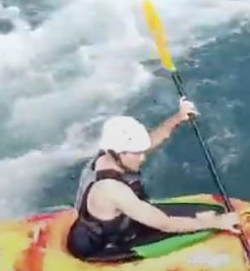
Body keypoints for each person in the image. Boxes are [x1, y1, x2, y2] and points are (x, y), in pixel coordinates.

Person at [66, 102, 239, 261]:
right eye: (137, 153)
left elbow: (154, 139)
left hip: (122, 224)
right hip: (103, 247)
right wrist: (216, 223)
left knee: (213, 211)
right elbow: (166, 224)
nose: (143, 158)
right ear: (118, 152)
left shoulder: (111, 156)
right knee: (208, 224)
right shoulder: (111, 189)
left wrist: (178, 118)